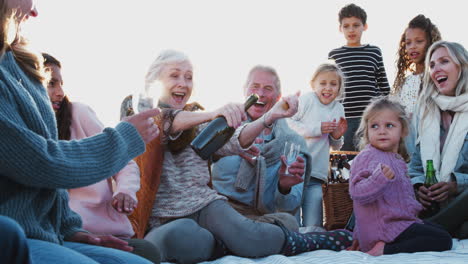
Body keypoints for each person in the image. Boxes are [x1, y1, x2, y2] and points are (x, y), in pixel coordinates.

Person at [135, 50, 352, 264]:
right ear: (154, 80)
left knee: (255, 236)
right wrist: (215, 114)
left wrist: (269, 117)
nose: (183, 82)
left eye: (189, 77)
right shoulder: (144, 116)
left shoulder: (203, 123)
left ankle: (309, 241)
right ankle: (229, 243)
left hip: (208, 208)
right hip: (169, 218)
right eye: (174, 75)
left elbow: (236, 139)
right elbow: (165, 121)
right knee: (171, 238)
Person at [0, 1, 159, 263]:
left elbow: (48, 182)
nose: (35, 11)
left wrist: (71, 229)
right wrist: (124, 139)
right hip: (13, 237)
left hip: (49, 233)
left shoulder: (21, 66)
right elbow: (40, 161)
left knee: (141, 259)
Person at [43, 53, 160, 263]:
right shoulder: (27, 132)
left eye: (61, 84)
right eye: (51, 84)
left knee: (148, 253)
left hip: (105, 231)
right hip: (61, 235)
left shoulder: (78, 113)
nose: (60, 92)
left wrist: (125, 191)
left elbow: (123, 161)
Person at [348, 97, 452, 256]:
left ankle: (389, 244)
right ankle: (385, 249)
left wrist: (416, 207)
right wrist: (378, 178)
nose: (381, 131)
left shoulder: (398, 160)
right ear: (367, 131)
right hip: (384, 229)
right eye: (374, 126)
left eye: (389, 125)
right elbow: (357, 194)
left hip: (398, 224)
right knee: (443, 239)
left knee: (439, 229)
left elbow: (401, 198)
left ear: (403, 130)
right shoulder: (367, 156)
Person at [211, 65, 309, 231]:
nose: (261, 93)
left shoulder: (293, 142)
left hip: (262, 218)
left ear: (278, 97)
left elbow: (289, 205)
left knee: (288, 223)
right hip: (223, 210)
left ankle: (230, 240)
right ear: (245, 91)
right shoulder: (224, 127)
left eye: (268, 88)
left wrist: (284, 187)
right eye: (255, 87)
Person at [409, 41, 468, 239]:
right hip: (433, 207)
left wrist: (456, 184)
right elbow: (415, 167)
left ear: (462, 66)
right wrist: (419, 187)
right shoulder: (427, 112)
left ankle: (426, 229)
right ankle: (442, 227)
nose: (436, 69)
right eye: (432, 65)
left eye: (444, 61)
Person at [287, 63, 347, 228]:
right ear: (313, 84)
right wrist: (317, 129)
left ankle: (312, 246)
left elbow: (335, 145)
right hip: (296, 169)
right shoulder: (307, 100)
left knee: (314, 225)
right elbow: (288, 124)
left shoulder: (339, 108)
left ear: (339, 88)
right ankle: (291, 243)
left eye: (333, 84)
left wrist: (337, 136)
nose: (328, 88)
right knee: (292, 220)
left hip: (317, 173)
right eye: (323, 83)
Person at [328, 3, 390, 151]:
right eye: (346, 26)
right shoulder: (334, 55)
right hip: (345, 119)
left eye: (356, 25)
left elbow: (384, 86)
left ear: (365, 26)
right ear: (340, 28)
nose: (351, 30)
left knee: (373, 158)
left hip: (371, 118)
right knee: (345, 162)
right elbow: (329, 88)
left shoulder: (374, 52)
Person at [392, 15, 441, 156]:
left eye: (419, 41)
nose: (412, 46)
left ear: (431, 43)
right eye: (408, 43)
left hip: (432, 143)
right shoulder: (405, 81)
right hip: (407, 147)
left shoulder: (437, 78)